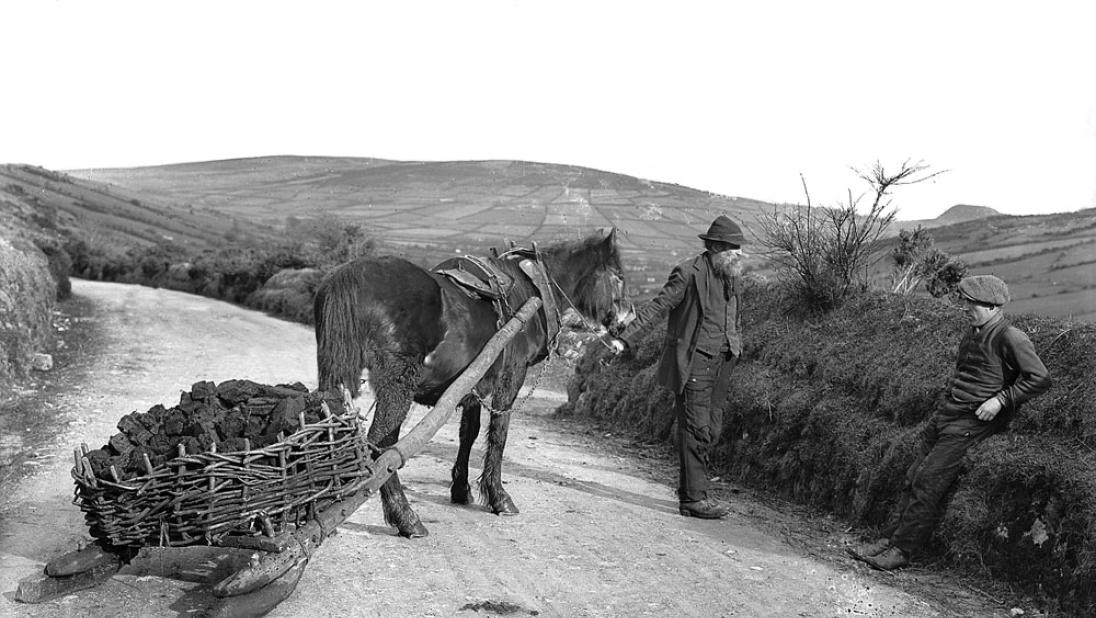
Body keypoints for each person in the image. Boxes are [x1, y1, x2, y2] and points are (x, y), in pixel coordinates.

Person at [850, 274, 1052, 570]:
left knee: (928, 481)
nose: (966, 308)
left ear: (994, 306)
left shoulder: (1010, 337)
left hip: (973, 421)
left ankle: (902, 551)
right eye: (966, 302)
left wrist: (1000, 400)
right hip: (948, 413)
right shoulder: (973, 332)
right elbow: (964, 373)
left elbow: (1041, 378)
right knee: (912, 476)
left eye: (973, 304)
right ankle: (890, 539)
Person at [607, 215, 747, 519]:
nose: (739, 253)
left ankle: (690, 492)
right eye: (733, 247)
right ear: (715, 246)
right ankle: (694, 499)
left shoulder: (731, 273)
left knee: (712, 429)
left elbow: (734, 315)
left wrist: (736, 344)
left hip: (722, 362)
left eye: (739, 247)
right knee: (696, 429)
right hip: (694, 361)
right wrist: (625, 340)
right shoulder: (687, 272)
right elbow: (659, 307)